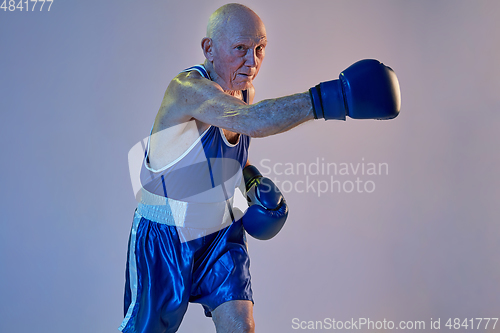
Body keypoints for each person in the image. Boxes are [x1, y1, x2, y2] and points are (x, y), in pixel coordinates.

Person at [120, 3, 400, 333]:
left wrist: (251, 179)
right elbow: (252, 122)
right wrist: (331, 98)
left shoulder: (243, 90)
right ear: (209, 48)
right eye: (240, 48)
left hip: (220, 230)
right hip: (167, 236)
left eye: (260, 48)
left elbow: (233, 155)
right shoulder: (187, 90)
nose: (252, 62)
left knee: (241, 326)